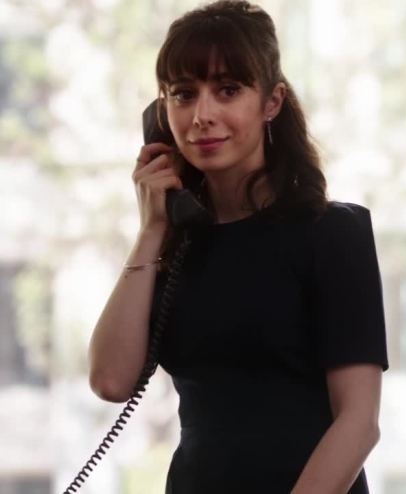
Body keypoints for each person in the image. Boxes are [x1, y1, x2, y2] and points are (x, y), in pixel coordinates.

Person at [87, 1, 389, 492]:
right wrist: (152, 229)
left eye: (227, 90)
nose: (202, 115)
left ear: (272, 102)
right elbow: (110, 381)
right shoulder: (175, 245)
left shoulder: (333, 232)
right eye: (183, 94)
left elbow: (359, 421)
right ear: (161, 114)